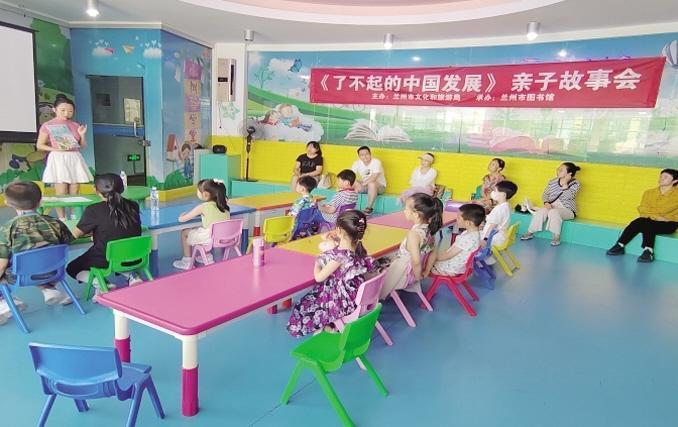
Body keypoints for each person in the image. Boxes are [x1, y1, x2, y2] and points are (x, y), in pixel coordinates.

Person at [286, 210, 375, 337]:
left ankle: (328, 326)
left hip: (342, 300)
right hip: (355, 293)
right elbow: (343, 250)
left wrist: (317, 261)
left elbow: (319, 277)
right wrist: (337, 240)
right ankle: (329, 325)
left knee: (304, 305)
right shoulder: (357, 247)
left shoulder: (340, 256)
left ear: (339, 230)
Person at [0, 182, 74, 323]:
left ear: (8, 203)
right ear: (40, 201)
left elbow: (2, 264)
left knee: (9, 266)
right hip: (53, 271)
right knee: (38, 259)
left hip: (20, 276)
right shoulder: (55, 223)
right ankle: (48, 288)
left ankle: (3, 301)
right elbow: (67, 243)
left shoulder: (7, 229)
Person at [67, 174, 143, 290]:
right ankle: (131, 274)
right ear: (122, 188)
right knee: (119, 252)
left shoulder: (93, 210)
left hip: (107, 258)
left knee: (72, 267)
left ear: (96, 190)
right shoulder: (133, 205)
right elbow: (118, 228)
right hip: (134, 255)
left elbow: (75, 234)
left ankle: (101, 283)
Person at [36, 94, 94, 220]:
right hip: (58, 157)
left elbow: (82, 146)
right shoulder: (48, 125)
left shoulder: (75, 125)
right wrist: (56, 149)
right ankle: (62, 218)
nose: (66, 113)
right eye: (63, 110)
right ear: (54, 109)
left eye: (70, 111)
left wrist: (82, 135)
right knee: (61, 190)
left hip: (74, 157)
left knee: (75, 188)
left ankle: (74, 216)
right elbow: (40, 145)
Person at [607, 168, 678, 262]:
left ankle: (622, 246)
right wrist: (656, 216)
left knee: (644, 222)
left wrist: (651, 212)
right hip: (651, 220)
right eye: (661, 176)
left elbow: (665, 209)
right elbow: (642, 208)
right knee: (641, 222)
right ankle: (646, 250)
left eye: (666, 177)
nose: (661, 179)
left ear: (675, 181)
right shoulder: (649, 192)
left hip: (669, 223)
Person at [380, 193, 443, 299]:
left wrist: (418, 277)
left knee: (371, 267)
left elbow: (416, 261)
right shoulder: (430, 231)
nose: (404, 211)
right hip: (409, 274)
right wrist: (426, 271)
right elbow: (433, 253)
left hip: (401, 274)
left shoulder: (414, 235)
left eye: (406, 208)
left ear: (416, 215)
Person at [172, 179, 230, 270]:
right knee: (203, 228)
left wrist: (181, 216)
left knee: (185, 232)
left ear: (205, 194)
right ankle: (207, 256)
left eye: (199, 190)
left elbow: (182, 219)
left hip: (210, 238)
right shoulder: (225, 206)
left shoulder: (203, 207)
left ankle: (187, 261)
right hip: (224, 237)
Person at [521, 162, 581, 246]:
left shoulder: (576, 184)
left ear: (569, 173)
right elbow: (545, 194)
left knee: (554, 212)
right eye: (558, 169)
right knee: (542, 211)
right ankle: (530, 232)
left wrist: (565, 184)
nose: (557, 171)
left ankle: (556, 237)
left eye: (561, 170)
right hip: (552, 207)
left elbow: (568, 197)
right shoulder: (552, 181)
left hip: (567, 210)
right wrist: (546, 203)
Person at [424, 204, 485, 277]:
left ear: (468, 223)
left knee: (431, 256)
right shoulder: (474, 234)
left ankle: (425, 273)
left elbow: (448, 256)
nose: (456, 219)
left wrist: (436, 258)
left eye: (458, 218)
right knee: (432, 255)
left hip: (451, 269)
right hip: (458, 267)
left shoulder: (467, 239)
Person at [482, 181, 518, 248]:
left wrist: (485, 239)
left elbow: (492, 227)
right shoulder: (507, 205)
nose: (493, 193)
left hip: (493, 238)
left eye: (495, 191)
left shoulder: (499, 209)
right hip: (501, 235)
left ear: (503, 195)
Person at [352, 146, 386, 214]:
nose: (365, 156)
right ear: (359, 156)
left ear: (370, 154)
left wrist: (362, 184)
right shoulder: (357, 163)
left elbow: (374, 177)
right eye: (362, 155)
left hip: (379, 187)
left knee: (372, 183)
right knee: (351, 181)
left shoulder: (376, 162)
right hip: (365, 186)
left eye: (367, 154)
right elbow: (351, 175)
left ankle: (369, 208)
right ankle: (348, 205)